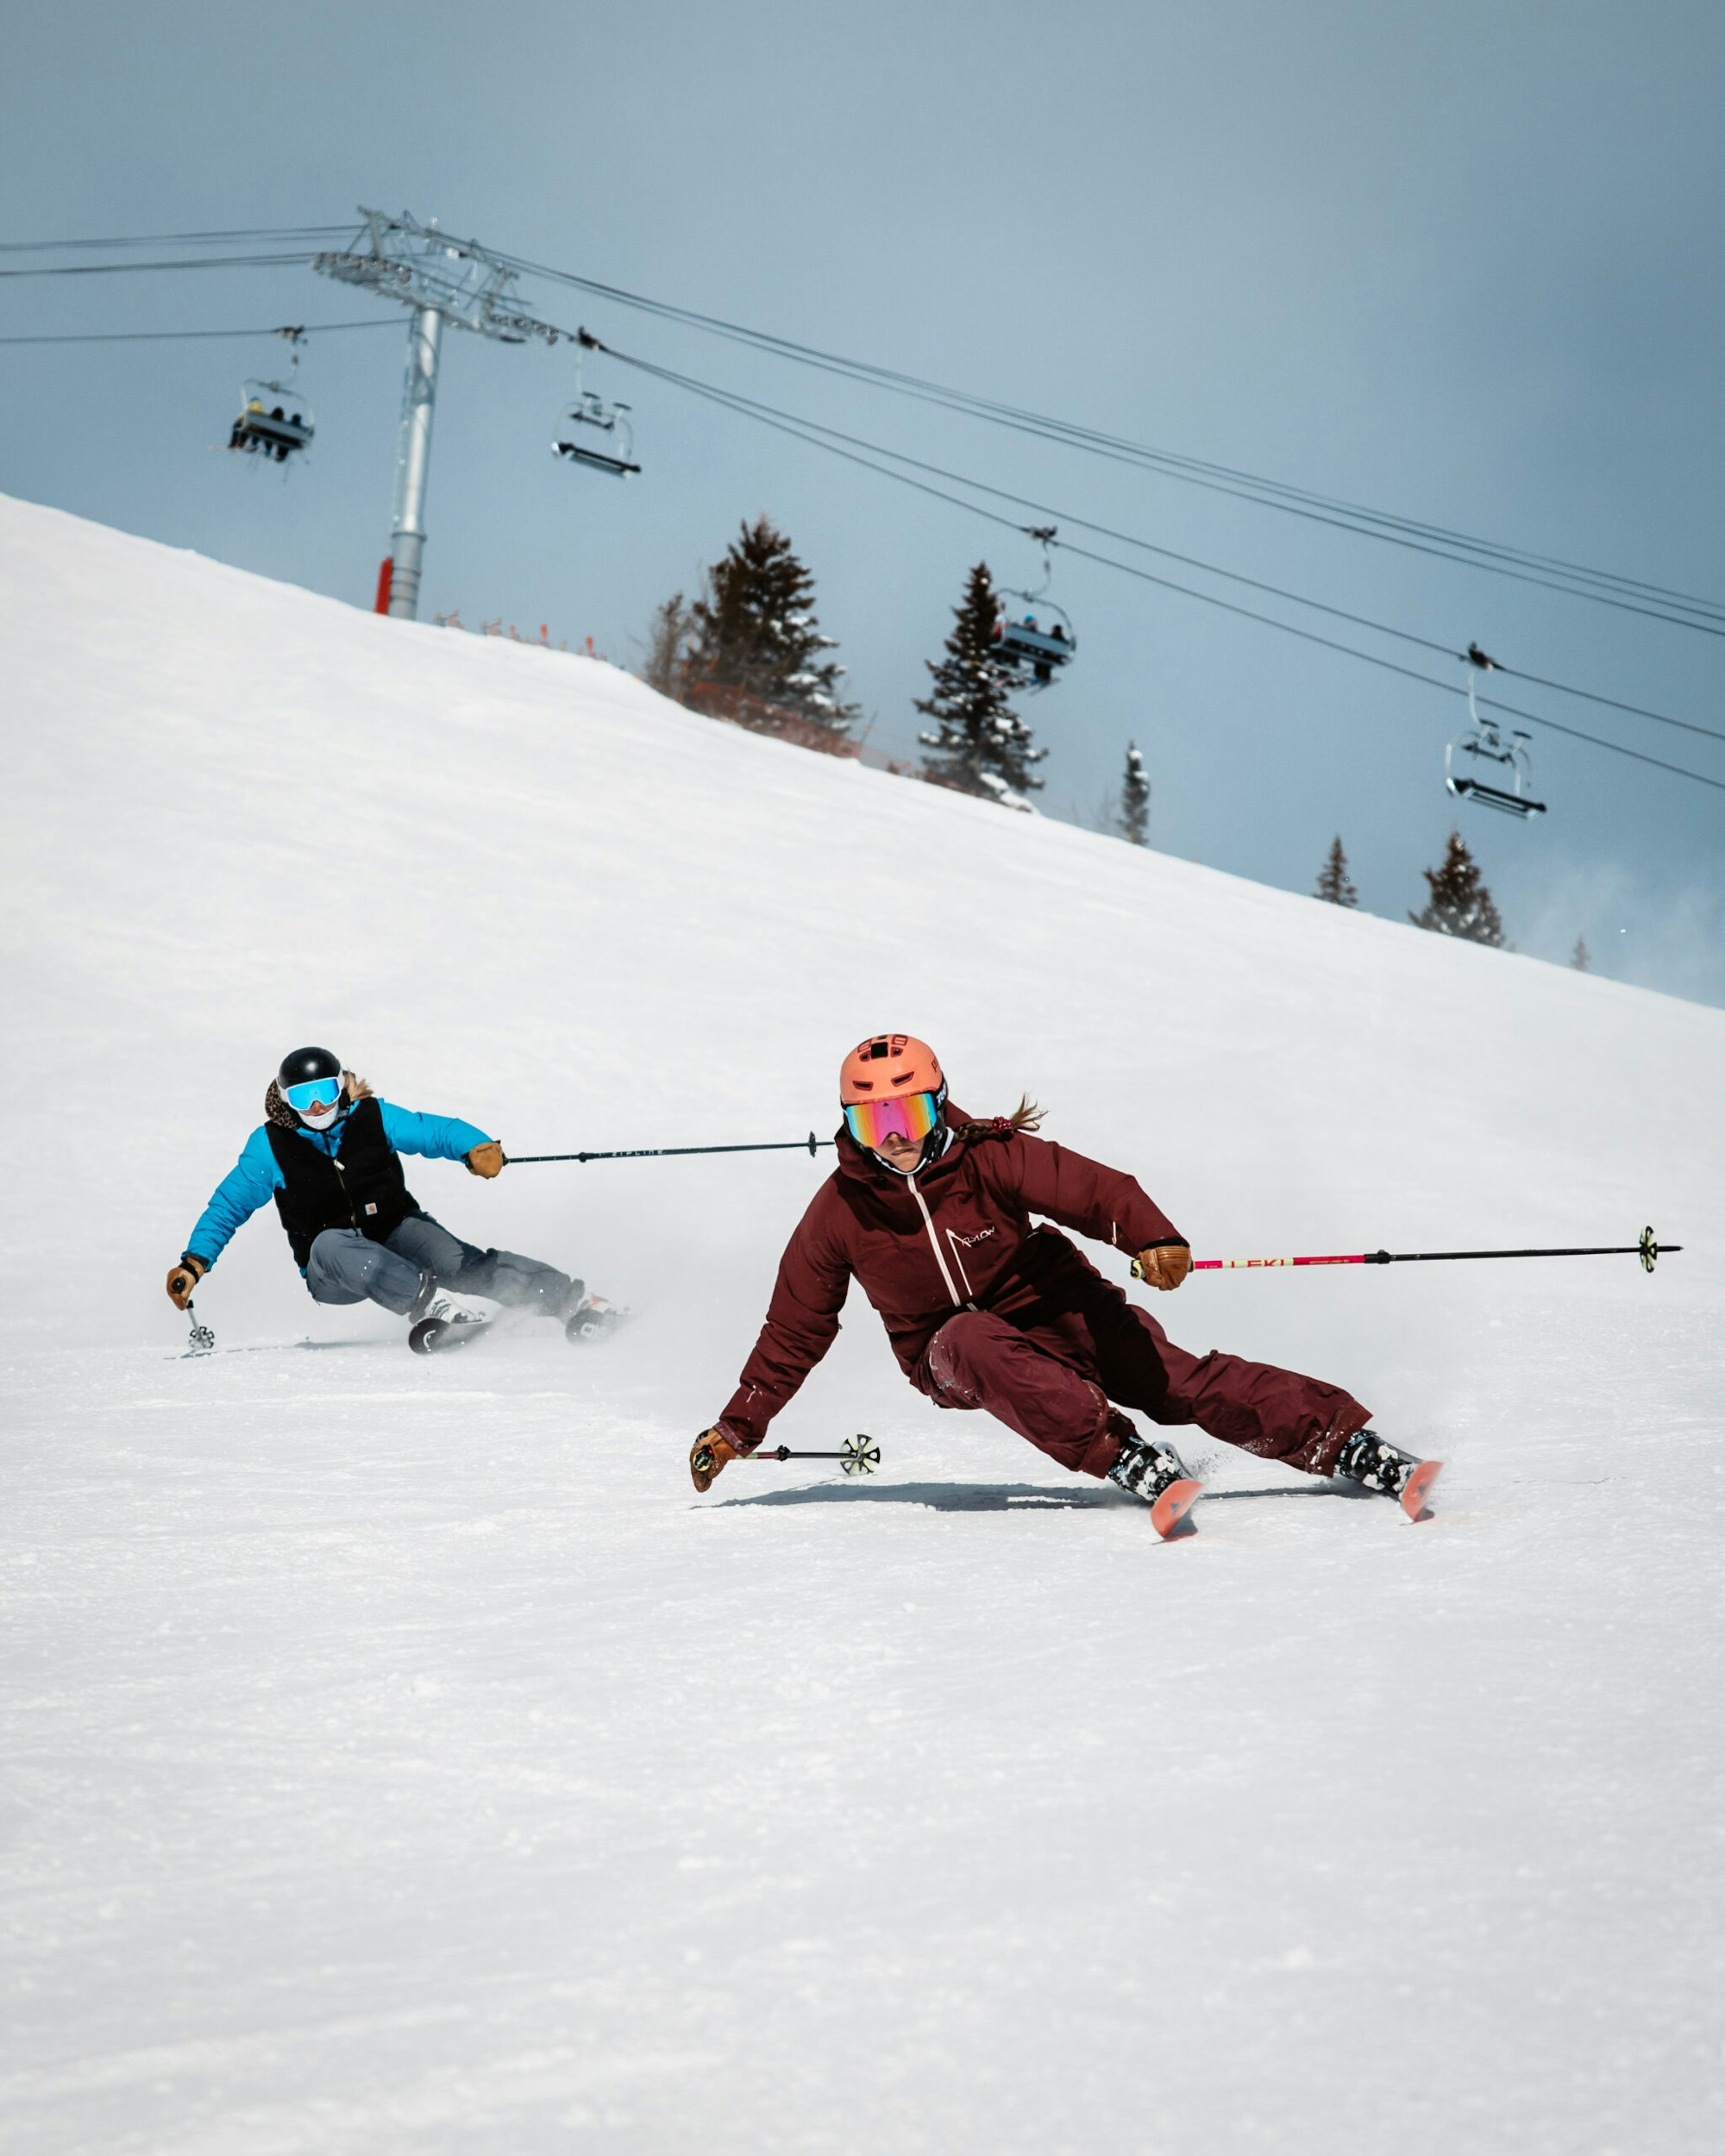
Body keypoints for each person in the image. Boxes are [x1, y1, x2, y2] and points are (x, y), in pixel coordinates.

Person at [690, 1035, 1440, 1534]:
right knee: (969, 1336)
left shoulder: (990, 1154)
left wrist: (1153, 1237)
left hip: (1054, 1300)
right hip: (947, 1353)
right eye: (873, 1119)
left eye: (910, 1111)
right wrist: (736, 1429)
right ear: (848, 1125)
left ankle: (1346, 1444)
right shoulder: (837, 1216)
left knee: (1172, 1380)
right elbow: (795, 1329)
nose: (897, 1136)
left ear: (938, 1104)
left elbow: (1089, 1189)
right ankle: (1123, 1456)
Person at [166, 1045, 590, 1332]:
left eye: (324, 1092)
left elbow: (431, 1130)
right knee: (331, 1243)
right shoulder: (270, 1147)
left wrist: (476, 1147)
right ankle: (432, 1307)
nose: (317, 1107)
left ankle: (570, 1300)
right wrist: (193, 1263)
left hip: (393, 1229)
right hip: (333, 1270)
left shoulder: (373, 1117)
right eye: (303, 1098)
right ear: (285, 1100)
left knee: (460, 1262)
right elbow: (228, 1207)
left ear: (340, 1085)